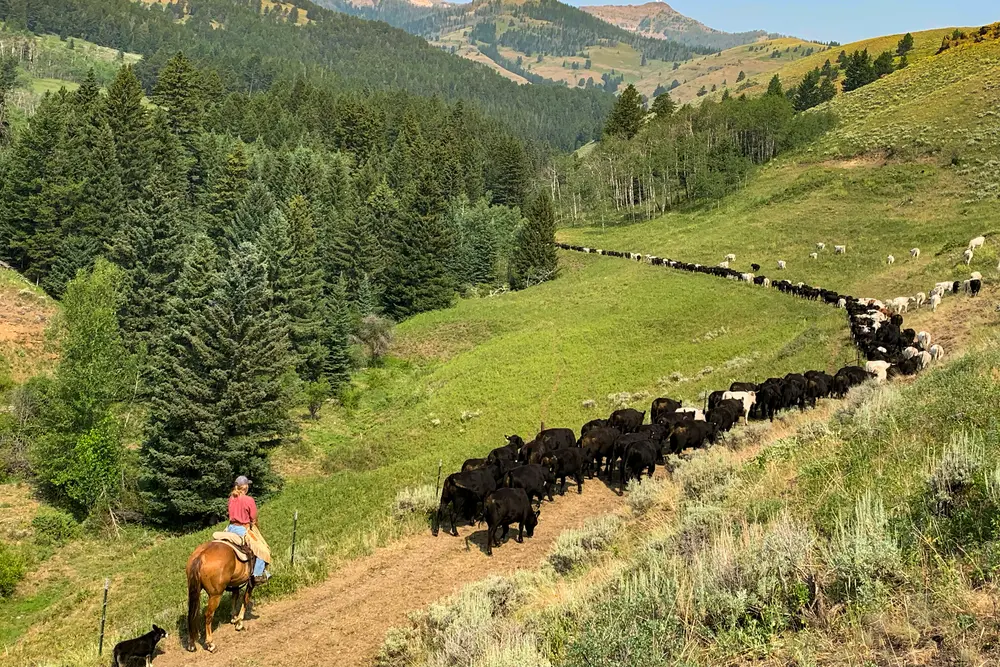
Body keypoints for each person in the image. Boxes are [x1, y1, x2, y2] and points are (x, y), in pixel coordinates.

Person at [225, 475, 271, 584]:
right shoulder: (249, 500)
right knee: (262, 550)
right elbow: (253, 518)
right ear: (245, 487)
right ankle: (257, 575)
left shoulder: (231, 498)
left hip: (230, 528)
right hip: (242, 529)